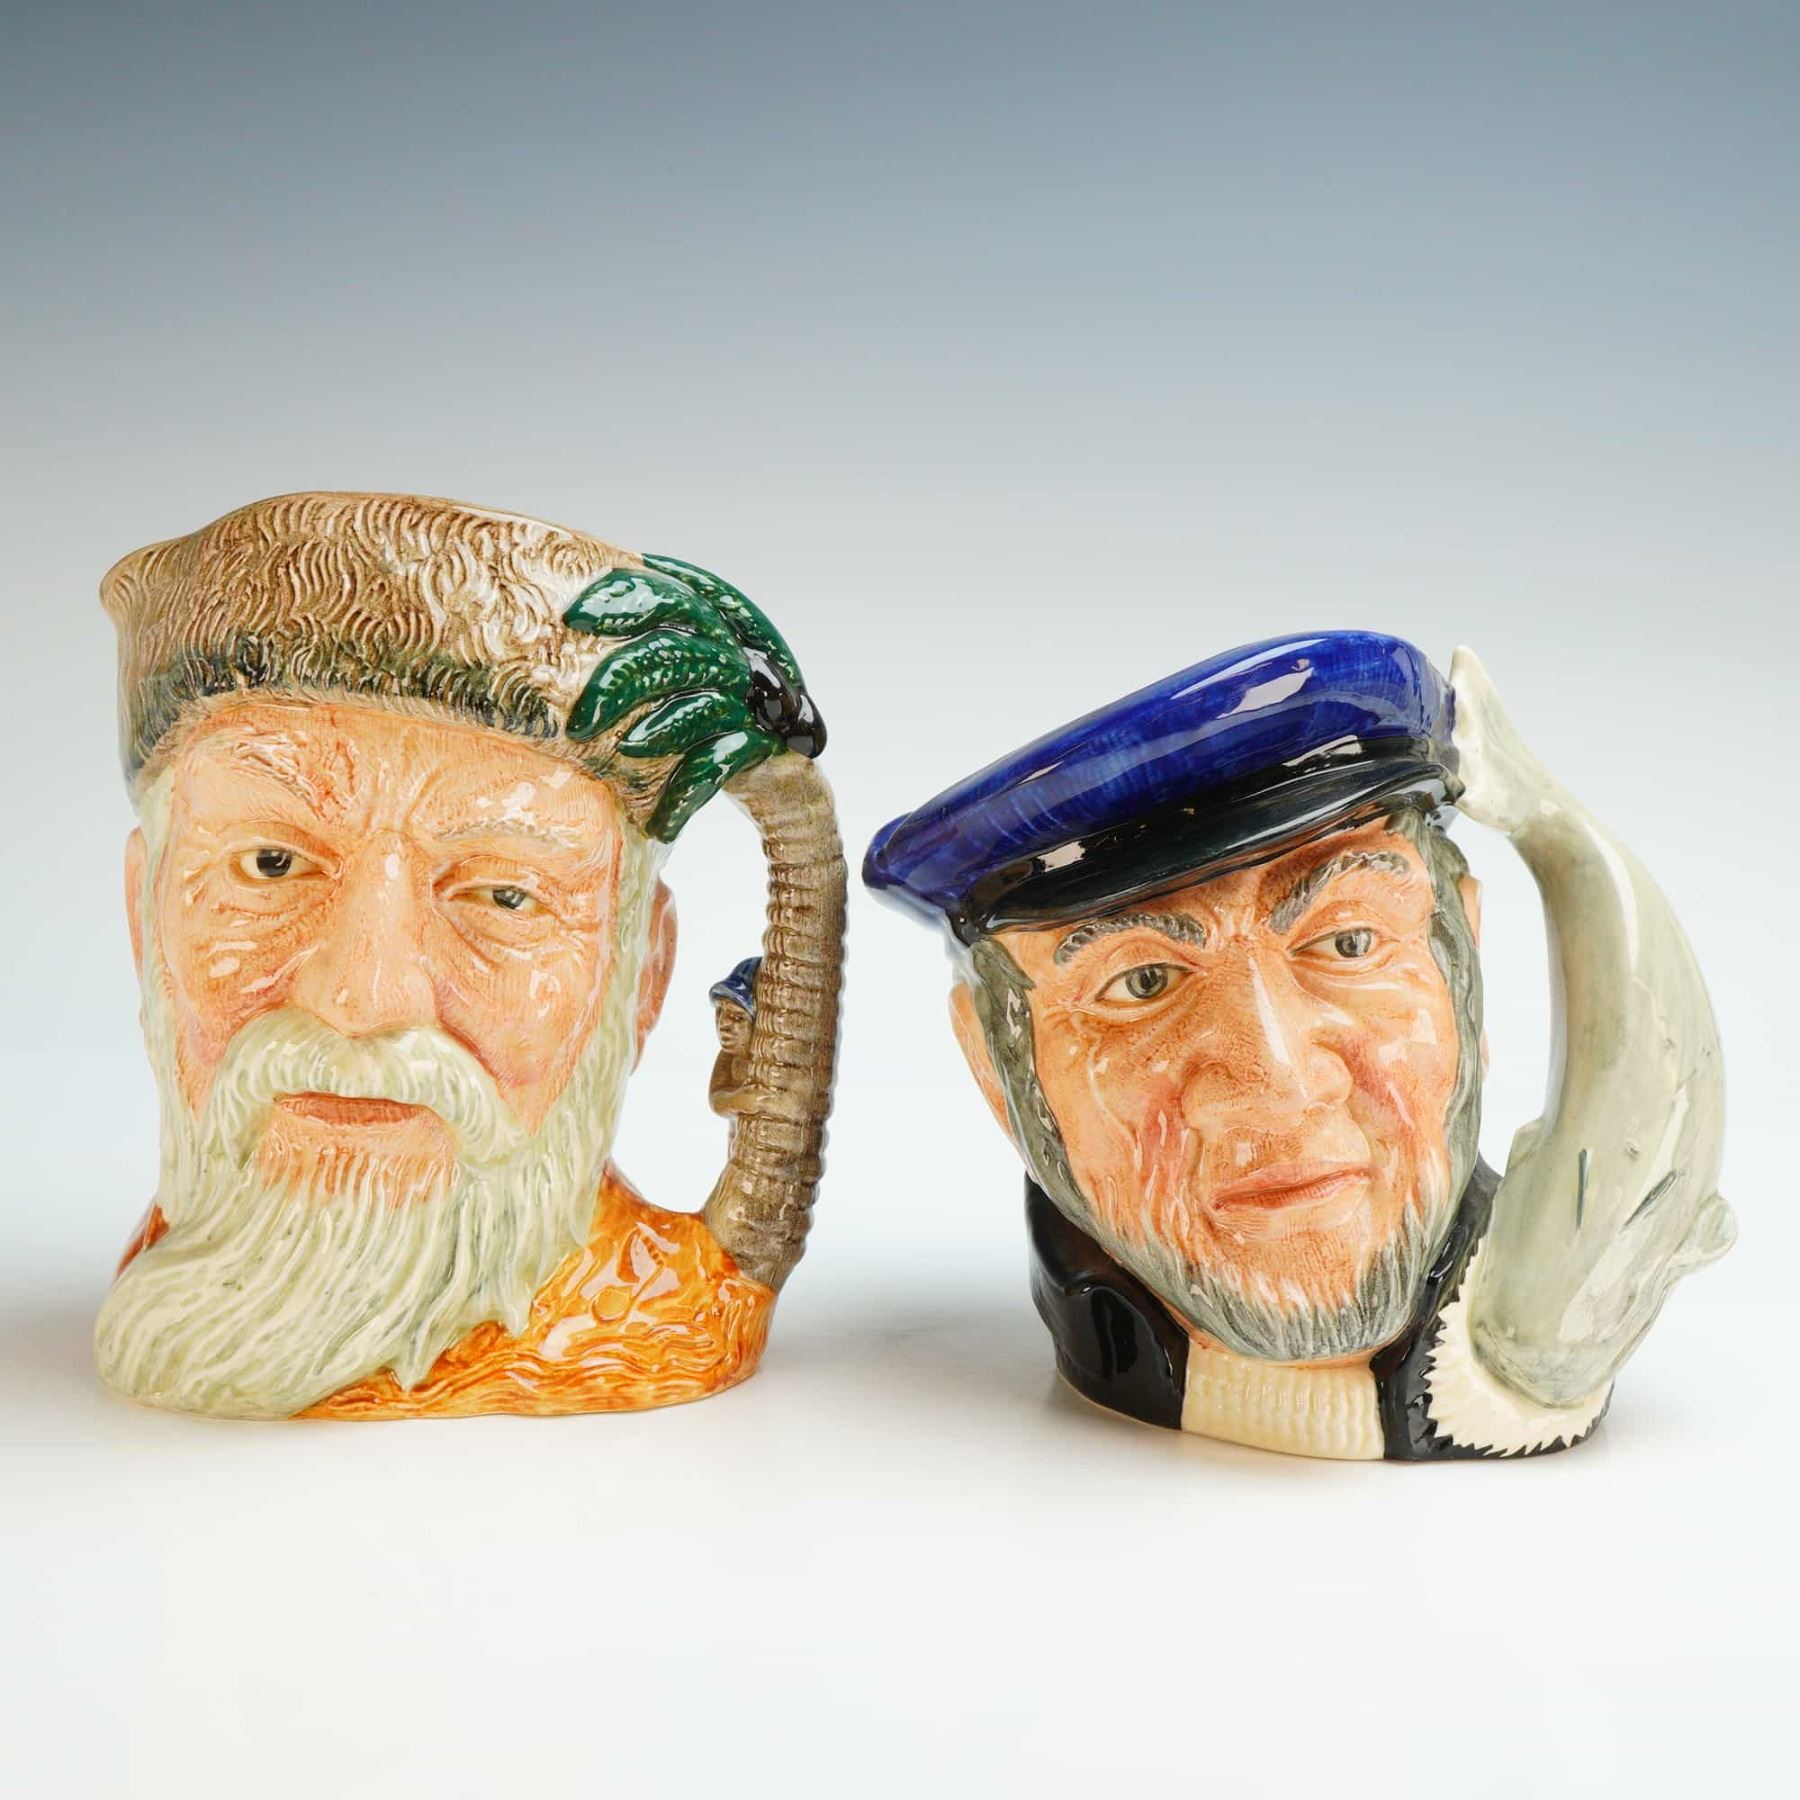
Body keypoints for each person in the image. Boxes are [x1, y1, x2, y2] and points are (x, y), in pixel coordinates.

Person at [865, 631, 1732, 1460]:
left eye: (1349, 941)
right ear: (995, 1067)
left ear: (1462, 957)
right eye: (1144, 983)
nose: (1278, 1079)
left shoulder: (1545, 1308)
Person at [95, 491, 843, 1420]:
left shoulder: (657, 1309)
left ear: (641, 974)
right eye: (272, 864)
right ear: (144, 918)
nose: (365, 997)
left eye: (504, 896)